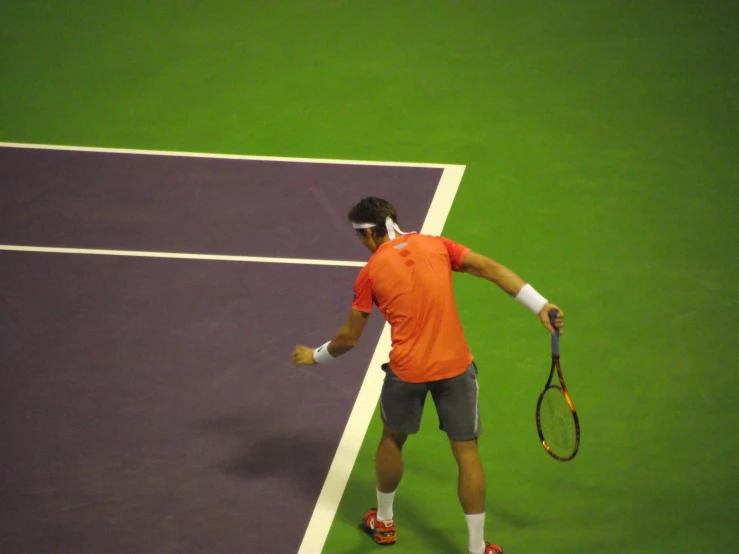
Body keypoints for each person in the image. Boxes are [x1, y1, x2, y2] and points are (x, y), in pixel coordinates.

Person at [292, 197, 564, 554]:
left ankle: (385, 523)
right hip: (455, 368)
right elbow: (491, 268)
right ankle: (476, 547)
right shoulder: (437, 245)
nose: (362, 244)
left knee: (392, 439)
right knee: (467, 453)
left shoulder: (370, 273)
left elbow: (348, 339)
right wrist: (540, 305)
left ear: (371, 233)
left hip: (408, 373)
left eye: (360, 237)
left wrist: (316, 357)